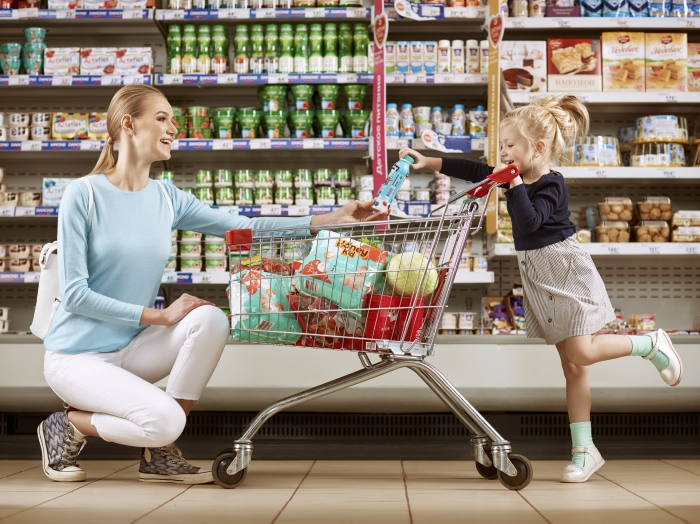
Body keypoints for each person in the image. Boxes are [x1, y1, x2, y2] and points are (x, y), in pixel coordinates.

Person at [38, 85, 387, 485]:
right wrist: (160, 316)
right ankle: (71, 425)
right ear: (128, 124)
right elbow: (77, 295)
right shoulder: (83, 194)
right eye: (162, 118)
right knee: (165, 422)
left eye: (173, 119)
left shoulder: (167, 198)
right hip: (77, 358)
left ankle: (157, 455)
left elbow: (247, 227)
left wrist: (328, 219)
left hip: (130, 349)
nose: (174, 127)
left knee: (211, 319)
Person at [399, 95, 683, 484]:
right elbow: (475, 169)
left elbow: (531, 225)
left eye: (510, 146)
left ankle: (650, 343)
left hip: (567, 272)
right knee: (572, 366)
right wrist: (430, 161)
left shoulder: (552, 185)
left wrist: (513, 182)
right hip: (539, 275)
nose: (503, 153)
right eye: (502, 146)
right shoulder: (512, 172)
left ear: (539, 148)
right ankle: (585, 451)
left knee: (582, 351)